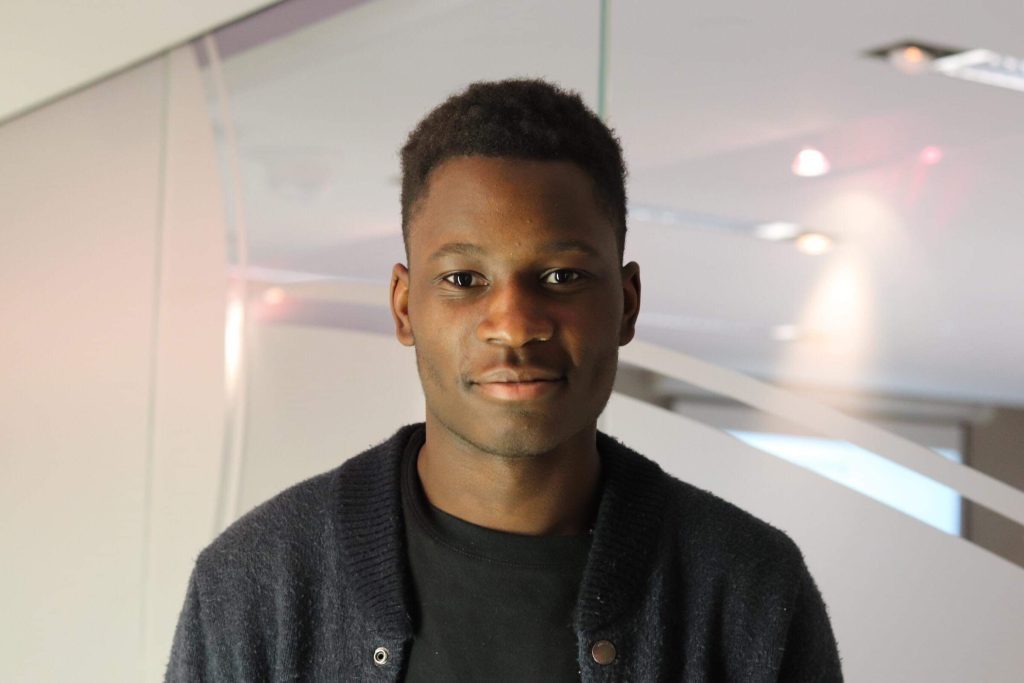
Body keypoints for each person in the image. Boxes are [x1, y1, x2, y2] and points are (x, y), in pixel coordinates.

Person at [166, 79, 842, 682]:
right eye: (463, 280)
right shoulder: (255, 584)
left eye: (561, 276)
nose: (515, 325)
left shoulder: (749, 589)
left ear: (628, 304)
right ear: (405, 307)